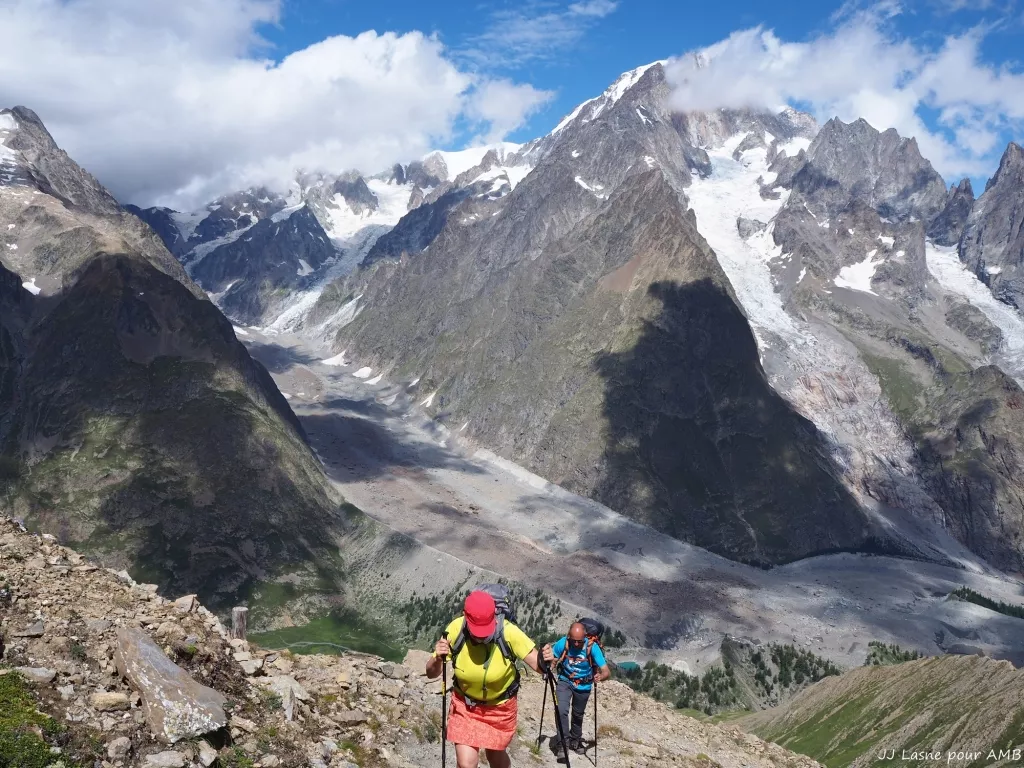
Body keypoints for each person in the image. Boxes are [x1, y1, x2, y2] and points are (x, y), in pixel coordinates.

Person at [426, 590, 545, 768]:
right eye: (476, 631)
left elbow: (541, 666)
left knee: (495, 755)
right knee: (466, 764)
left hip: (500, 708)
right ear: (465, 617)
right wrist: (437, 658)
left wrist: (548, 658)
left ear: (495, 616)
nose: (481, 636)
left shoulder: (509, 631)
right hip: (465, 706)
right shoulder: (455, 629)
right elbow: (431, 673)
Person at [541, 622, 611, 754]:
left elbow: (606, 671)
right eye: (574, 641)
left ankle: (575, 740)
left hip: (584, 685)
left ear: (585, 637)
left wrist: (600, 677)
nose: (577, 644)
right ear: (569, 637)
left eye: (580, 641)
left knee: (578, 715)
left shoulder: (592, 647)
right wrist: (548, 669)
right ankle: (563, 743)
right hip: (565, 681)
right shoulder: (563, 643)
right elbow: (554, 660)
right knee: (561, 710)